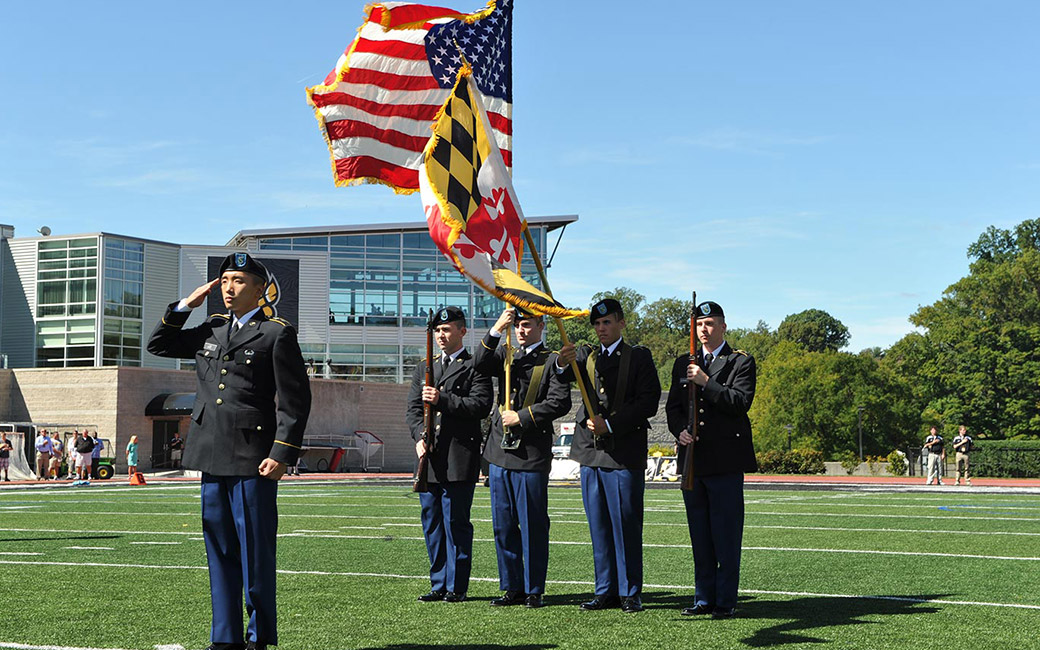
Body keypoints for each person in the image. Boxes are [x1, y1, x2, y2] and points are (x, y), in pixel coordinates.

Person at [147, 252, 312, 650]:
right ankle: (225, 637)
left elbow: (295, 401)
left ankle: (258, 637)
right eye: (224, 281)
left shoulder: (276, 334)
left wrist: (282, 452)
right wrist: (187, 304)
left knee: (255, 550)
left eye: (238, 281)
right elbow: (158, 344)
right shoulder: (211, 328)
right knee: (218, 550)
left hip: (253, 457)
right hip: (209, 453)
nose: (228, 288)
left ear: (259, 289)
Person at [556, 298, 661, 613]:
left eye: (607, 323)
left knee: (625, 524)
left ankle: (630, 591)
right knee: (598, 525)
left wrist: (611, 423)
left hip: (622, 453)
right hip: (590, 453)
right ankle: (605, 591)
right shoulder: (585, 358)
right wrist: (562, 363)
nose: (601, 328)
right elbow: (561, 379)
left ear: (621, 324)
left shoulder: (638, 358)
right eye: (597, 324)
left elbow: (648, 401)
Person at [473, 308, 571, 609]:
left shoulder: (552, 360)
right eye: (517, 326)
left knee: (532, 525)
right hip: (500, 454)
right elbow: (479, 362)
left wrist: (523, 416)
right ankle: (511, 586)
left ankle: (533, 588)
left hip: (529, 455)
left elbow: (559, 402)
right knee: (503, 525)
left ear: (541, 326)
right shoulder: (506, 354)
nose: (521, 331)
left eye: (527, 325)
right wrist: (495, 329)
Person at [665, 301, 757, 619]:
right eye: (699, 325)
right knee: (700, 535)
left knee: (726, 534)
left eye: (710, 324)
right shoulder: (683, 363)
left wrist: (706, 382)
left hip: (725, 461)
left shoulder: (740, 362)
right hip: (694, 460)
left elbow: (739, 402)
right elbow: (673, 408)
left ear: (723, 326)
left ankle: (726, 600)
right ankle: (703, 598)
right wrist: (679, 431)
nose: (703, 330)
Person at [406, 306, 493, 604]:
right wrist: (419, 437)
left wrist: (442, 398)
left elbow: (480, 405)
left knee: (456, 522)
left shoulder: (474, 366)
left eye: (447, 330)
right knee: (431, 522)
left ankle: (457, 586)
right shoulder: (424, 367)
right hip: (429, 458)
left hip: (458, 456)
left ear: (462, 331)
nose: (441, 336)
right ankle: (438, 583)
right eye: (438, 331)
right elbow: (414, 411)